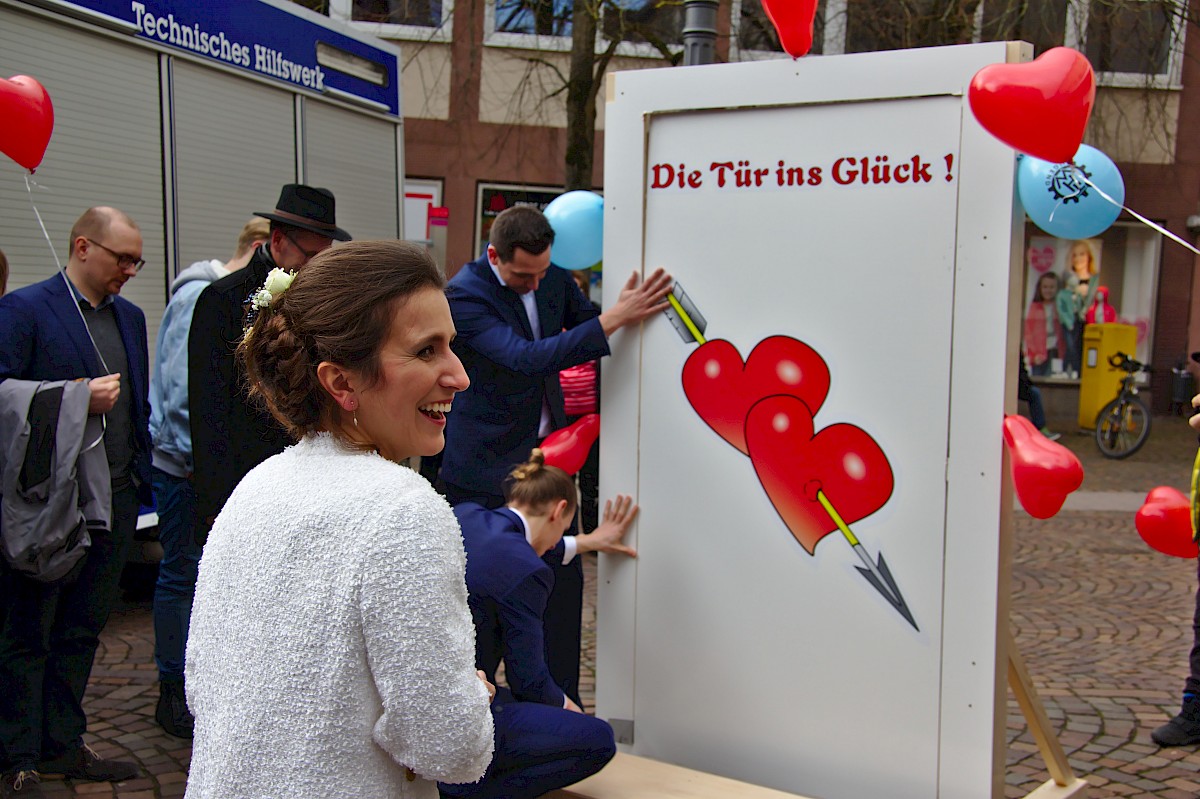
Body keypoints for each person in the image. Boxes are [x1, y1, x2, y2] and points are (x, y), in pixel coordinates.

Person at [184, 240, 494, 798]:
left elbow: (205, 688)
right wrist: (471, 695)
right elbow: (448, 744)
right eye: (426, 351)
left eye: (451, 346)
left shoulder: (256, 488)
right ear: (342, 381)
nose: (458, 375)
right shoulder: (401, 508)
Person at [440, 205, 670, 705]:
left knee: (560, 592)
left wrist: (619, 315)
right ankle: (480, 708)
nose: (535, 284)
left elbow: (587, 327)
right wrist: (612, 318)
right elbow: (525, 359)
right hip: (487, 468)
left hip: (550, 463)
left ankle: (564, 703)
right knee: (488, 603)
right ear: (494, 254)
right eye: (524, 275)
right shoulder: (464, 294)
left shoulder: (551, 278)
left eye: (543, 273)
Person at [0, 207, 152, 795]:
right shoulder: (25, 311)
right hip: (48, 507)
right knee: (28, 631)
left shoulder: (130, 318)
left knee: (82, 631)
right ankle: (18, 754)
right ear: (84, 247)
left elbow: (135, 405)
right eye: (123, 258)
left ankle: (63, 742)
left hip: (114, 500)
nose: (131, 270)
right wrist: (72, 398)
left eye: (137, 260)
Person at [444, 450, 636, 798]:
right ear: (560, 510)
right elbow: (528, 679)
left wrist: (586, 542)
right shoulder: (527, 572)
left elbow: (522, 546)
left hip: (433, 687)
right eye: (563, 527)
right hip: (460, 709)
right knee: (596, 739)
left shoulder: (465, 515)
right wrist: (569, 709)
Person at [147, 218, 269, 739]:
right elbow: (179, 390)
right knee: (183, 572)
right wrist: (200, 468)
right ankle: (174, 688)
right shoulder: (201, 295)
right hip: (184, 468)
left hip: (216, 468)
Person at [188, 185, 350, 541]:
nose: (314, 268)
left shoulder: (321, 300)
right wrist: (219, 505)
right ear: (278, 241)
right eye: (309, 255)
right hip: (243, 475)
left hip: (305, 474)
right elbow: (208, 411)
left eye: (323, 258)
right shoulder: (221, 300)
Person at [1055, 240, 1098, 379]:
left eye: (1082, 254)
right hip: (1069, 319)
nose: (1078, 259)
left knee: (1081, 346)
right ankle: (1068, 371)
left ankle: (1079, 373)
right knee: (1070, 345)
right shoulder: (1066, 279)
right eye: (1075, 255)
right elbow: (1061, 301)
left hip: (1087, 320)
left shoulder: (1094, 279)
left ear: (1089, 257)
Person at [1024, 271, 1064, 378]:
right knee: (1039, 378)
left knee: (1054, 378)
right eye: (1045, 287)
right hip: (1039, 353)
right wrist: (1033, 354)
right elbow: (1028, 333)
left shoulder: (1059, 306)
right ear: (1040, 288)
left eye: (1052, 287)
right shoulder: (1035, 307)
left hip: (1055, 350)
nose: (1048, 290)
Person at [1017, 352, 1059, 441]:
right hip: (1018, 383)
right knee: (1034, 394)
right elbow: (1021, 372)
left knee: (1034, 393)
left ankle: (1040, 428)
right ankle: (1040, 428)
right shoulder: (1014, 349)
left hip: (1019, 382)